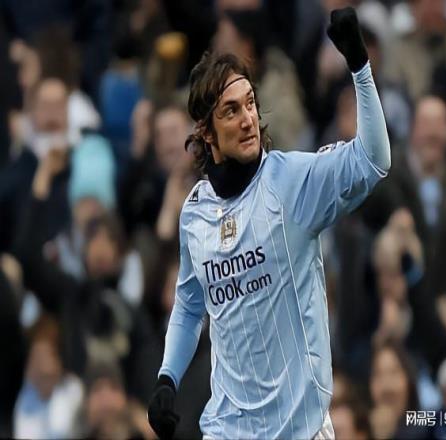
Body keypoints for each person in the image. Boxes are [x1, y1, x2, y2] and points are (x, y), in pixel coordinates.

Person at [148, 7, 391, 439]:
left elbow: (374, 161)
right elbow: (189, 304)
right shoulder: (195, 212)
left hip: (302, 429)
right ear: (206, 131)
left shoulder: (292, 182)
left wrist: (359, 66)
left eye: (250, 104)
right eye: (230, 111)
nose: (247, 119)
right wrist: (168, 378)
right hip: (227, 429)